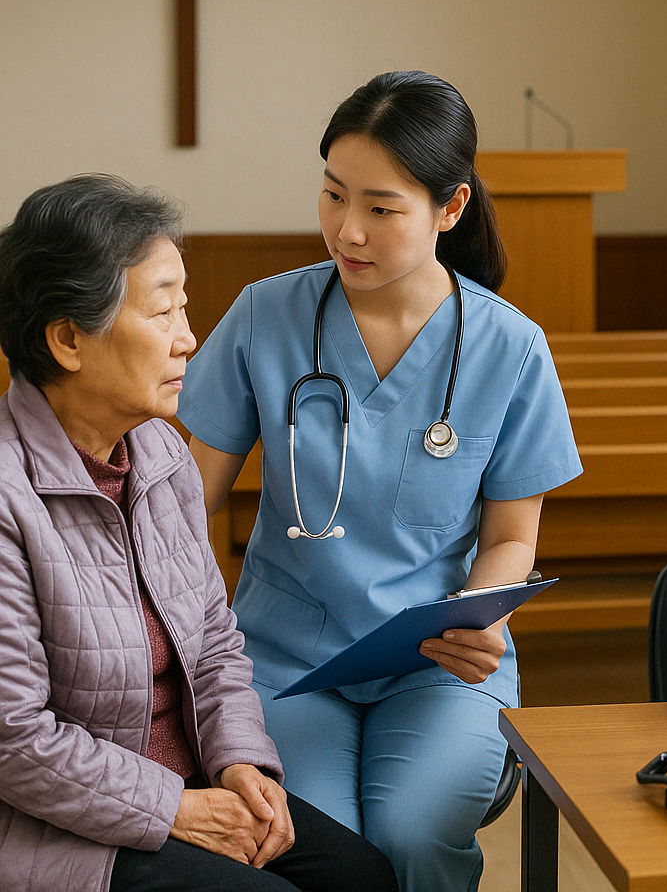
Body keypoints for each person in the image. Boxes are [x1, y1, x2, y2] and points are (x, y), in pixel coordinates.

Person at [177, 70, 582, 892]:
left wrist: (482, 616)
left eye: (381, 208)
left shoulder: (510, 348)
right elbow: (185, 502)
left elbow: (511, 538)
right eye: (333, 195)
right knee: (324, 852)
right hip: (283, 661)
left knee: (413, 832)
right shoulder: (264, 316)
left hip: (437, 664)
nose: (347, 230)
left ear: (451, 208)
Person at [0, 175, 399, 892]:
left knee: (363, 876)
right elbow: (15, 740)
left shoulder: (159, 454)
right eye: (163, 312)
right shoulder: (8, 493)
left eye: (184, 308)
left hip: (188, 779)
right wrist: (176, 810)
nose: (188, 339)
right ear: (67, 339)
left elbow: (213, 642)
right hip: (58, 823)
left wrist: (240, 762)